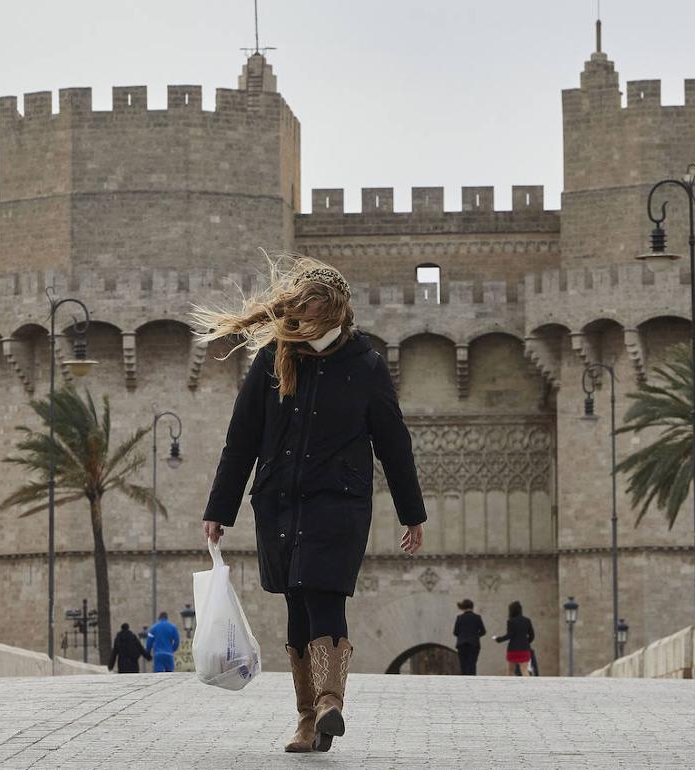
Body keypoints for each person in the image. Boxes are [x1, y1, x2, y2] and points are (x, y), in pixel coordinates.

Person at [195, 256, 427, 754]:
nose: (301, 314)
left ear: (336, 310)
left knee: (324, 592)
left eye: (311, 306)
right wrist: (220, 508)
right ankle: (309, 717)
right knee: (297, 600)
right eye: (297, 305)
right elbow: (241, 441)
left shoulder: (365, 365)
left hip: (338, 504)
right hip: (278, 502)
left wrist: (413, 513)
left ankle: (327, 701)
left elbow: (393, 442)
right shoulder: (273, 359)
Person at [493, 601, 536, 677]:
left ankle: (510, 687)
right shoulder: (527, 621)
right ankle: (528, 687)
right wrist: (526, 642)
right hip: (524, 649)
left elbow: (509, 635)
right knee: (524, 670)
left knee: (510, 671)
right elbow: (532, 636)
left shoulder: (511, 621)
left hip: (513, 649)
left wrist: (498, 639)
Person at [452, 599, 486, 675]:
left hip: (461, 644)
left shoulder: (459, 618)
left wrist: (462, 636)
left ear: (463, 608)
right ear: (472, 607)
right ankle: (472, 682)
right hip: (474, 644)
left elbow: (455, 632)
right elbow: (483, 631)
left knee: (463, 665)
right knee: (472, 664)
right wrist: (476, 636)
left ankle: (464, 683)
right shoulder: (477, 617)